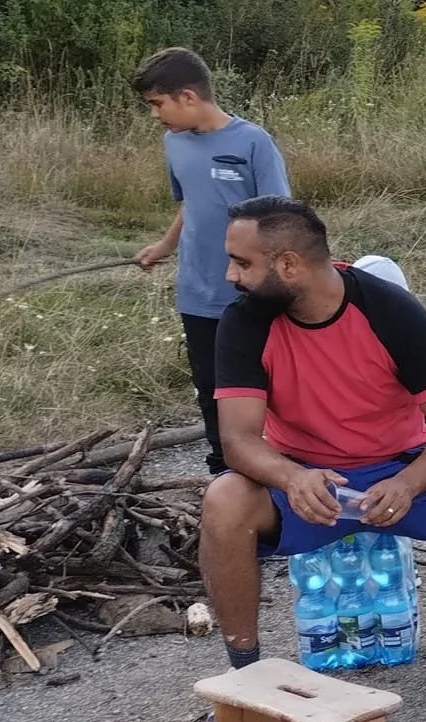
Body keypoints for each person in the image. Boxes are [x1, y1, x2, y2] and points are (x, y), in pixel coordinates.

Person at [199, 196, 426, 710]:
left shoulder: (389, 310)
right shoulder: (245, 322)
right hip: (305, 483)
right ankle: (246, 676)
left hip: (398, 471)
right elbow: (237, 441)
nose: (231, 276)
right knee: (224, 500)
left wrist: (409, 482)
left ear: (288, 265)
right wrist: (290, 478)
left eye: (242, 263)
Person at [131, 46, 292, 476]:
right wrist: (164, 246)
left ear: (187, 96)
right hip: (197, 292)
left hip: (250, 293)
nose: (155, 115)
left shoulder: (253, 142)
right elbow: (190, 203)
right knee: (212, 388)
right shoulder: (173, 142)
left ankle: (280, 468)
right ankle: (226, 473)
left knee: (265, 386)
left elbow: (279, 216)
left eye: (157, 104)